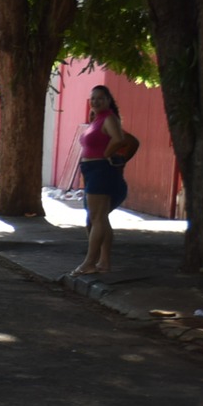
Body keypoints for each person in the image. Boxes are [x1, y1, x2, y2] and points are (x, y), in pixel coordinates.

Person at [69, 84, 139, 277]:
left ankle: (89, 263)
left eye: (100, 98)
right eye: (93, 98)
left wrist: (109, 155)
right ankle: (104, 262)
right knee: (97, 218)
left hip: (101, 170)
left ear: (108, 100)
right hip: (92, 171)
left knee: (96, 218)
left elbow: (120, 139)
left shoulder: (109, 118)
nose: (96, 101)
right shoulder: (97, 119)